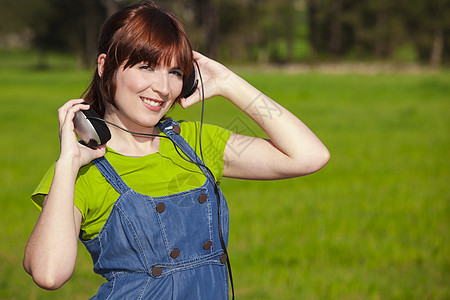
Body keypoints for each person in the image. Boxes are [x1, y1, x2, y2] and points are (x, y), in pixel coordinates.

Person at [23, 1, 329, 299]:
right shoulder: (81, 169)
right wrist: (68, 165)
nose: (163, 87)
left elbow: (309, 156)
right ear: (105, 66)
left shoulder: (195, 144)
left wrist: (229, 82)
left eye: (175, 72)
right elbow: (49, 274)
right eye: (147, 67)